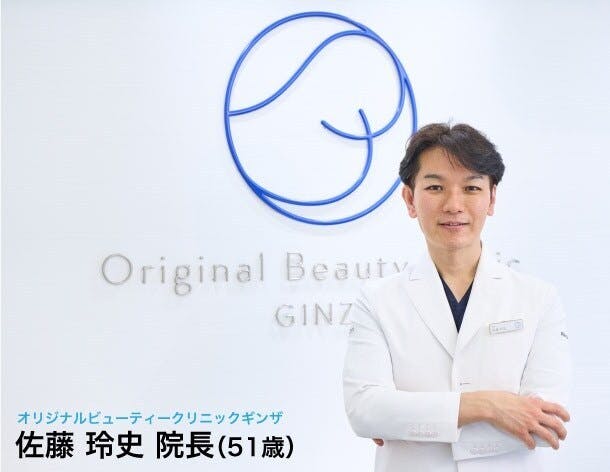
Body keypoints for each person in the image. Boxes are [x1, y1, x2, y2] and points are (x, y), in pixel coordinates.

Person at [342, 123, 572, 471]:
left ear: (492, 198)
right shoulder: (376, 301)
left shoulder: (539, 299)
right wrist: (488, 406)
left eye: (471, 188)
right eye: (435, 187)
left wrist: (406, 421)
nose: (453, 205)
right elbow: (365, 412)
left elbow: (547, 425)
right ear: (410, 199)